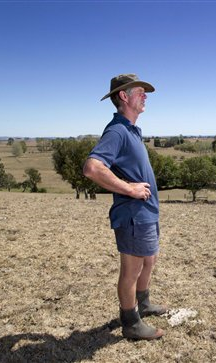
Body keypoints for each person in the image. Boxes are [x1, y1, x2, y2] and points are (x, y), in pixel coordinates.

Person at [83, 74, 167, 340]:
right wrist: (130, 189)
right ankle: (130, 322)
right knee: (131, 270)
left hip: (146, 213)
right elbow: (92, 168)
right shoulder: (117, 130)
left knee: (148, 261)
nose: (145, 96)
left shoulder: (132, 129)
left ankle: (143, 304)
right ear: (123, 96)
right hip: (132, 216)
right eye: (140, 92)